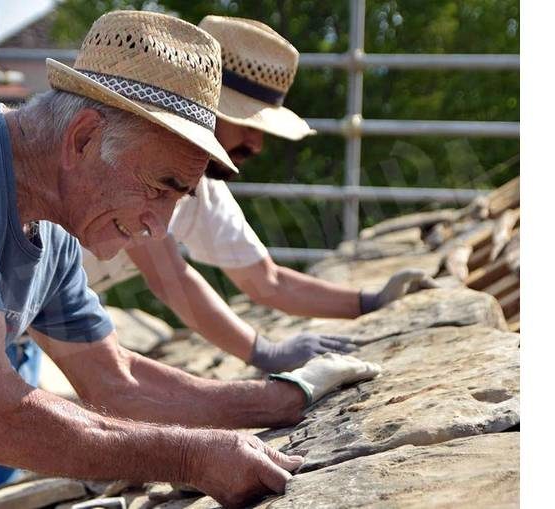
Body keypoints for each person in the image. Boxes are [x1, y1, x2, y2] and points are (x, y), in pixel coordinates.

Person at [0, 11, 380, 509]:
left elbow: (118, 382)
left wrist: (286, 397)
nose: (158, 228)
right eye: (162, 188)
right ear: (83, 139)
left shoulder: (55, 235)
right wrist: (187, 458)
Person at [83, 15, 436, 374]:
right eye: (248, 123)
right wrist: (264, 352)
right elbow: (169, 279)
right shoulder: (136, 161)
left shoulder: (201, 187)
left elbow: (267, 281)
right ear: (204, 106)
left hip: (29, 326)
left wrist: (371, 302)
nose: (257, 143)